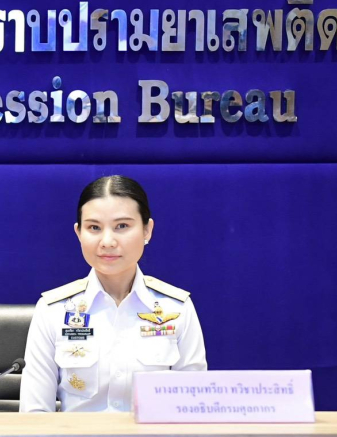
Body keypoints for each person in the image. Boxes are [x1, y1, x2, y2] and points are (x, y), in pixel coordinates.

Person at [19, 175, 205, 412]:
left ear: (147, 230)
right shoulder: (52, 311)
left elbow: (191, 409)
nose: (107, 241)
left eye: (122, 226)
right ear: (78, 233)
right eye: (94, 228)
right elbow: (35, 414)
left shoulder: (177, 308)